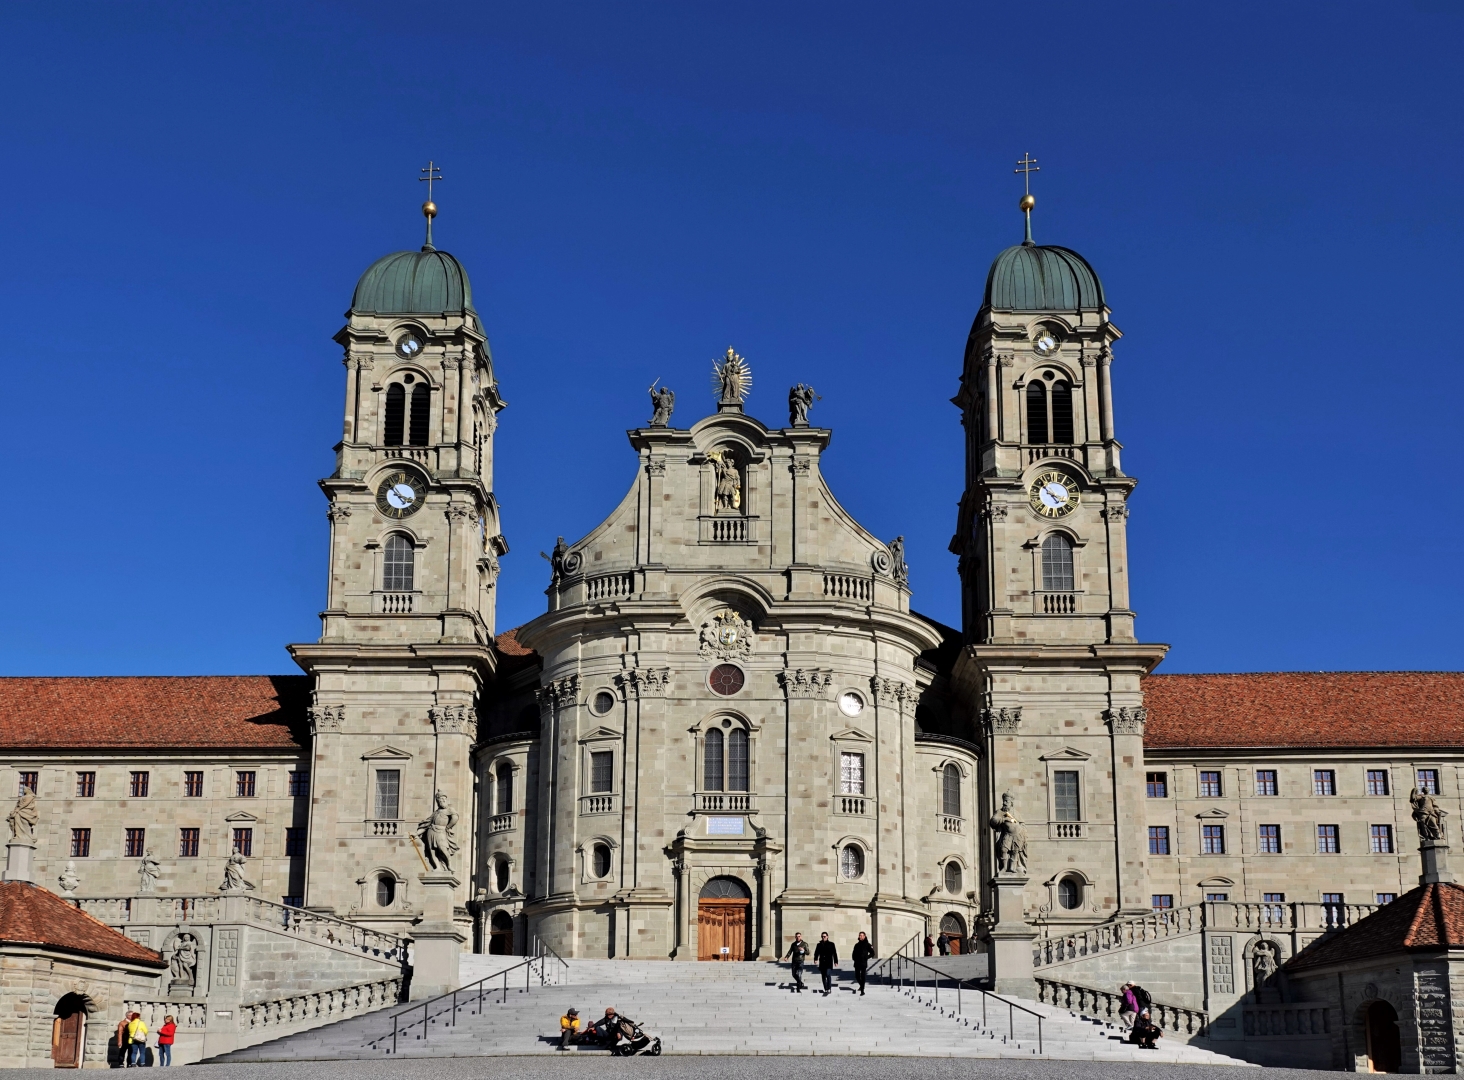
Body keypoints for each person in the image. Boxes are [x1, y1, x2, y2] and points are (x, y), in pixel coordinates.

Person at [851, 931, 875, 996]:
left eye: (862, 935)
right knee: (857, 976)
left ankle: (862, 990)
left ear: (864, 936)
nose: (860, 936)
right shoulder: (856, 945)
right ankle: (861, 986)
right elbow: (853, 953)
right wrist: (854, 958)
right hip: (857, 963)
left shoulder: (868, 945)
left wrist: (867, 957)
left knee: (863, 976)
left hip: (863, 963)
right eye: (860, 935)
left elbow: (872, 953)